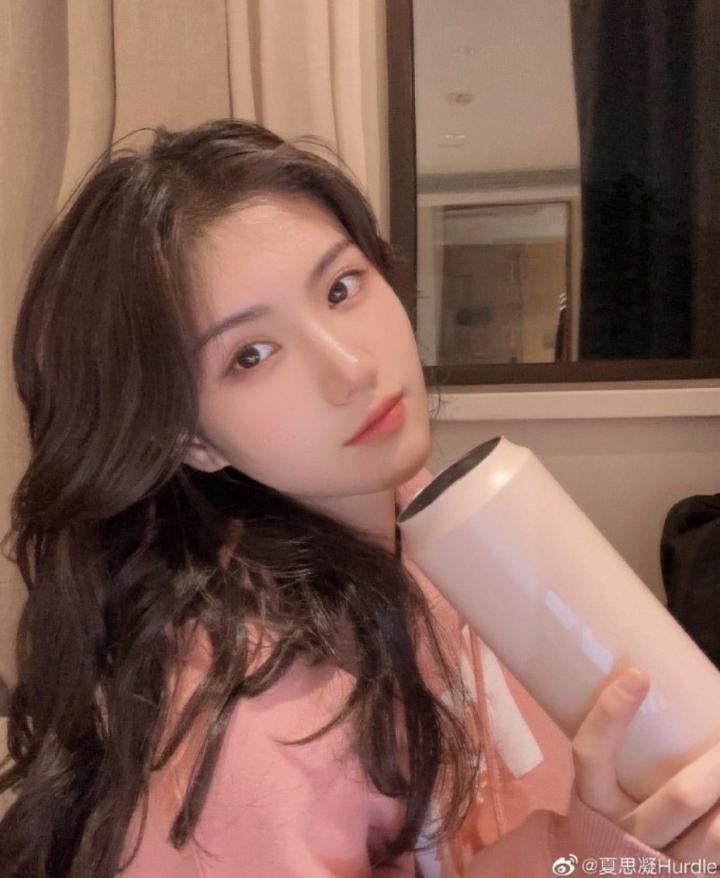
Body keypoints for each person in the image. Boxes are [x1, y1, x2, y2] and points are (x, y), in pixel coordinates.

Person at [0, 119, 719, 878]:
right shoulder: (253, 720)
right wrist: (590, 856)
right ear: (192, 439)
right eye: (251, 355)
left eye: (341, 288)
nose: (351, 368)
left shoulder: (431, 517)